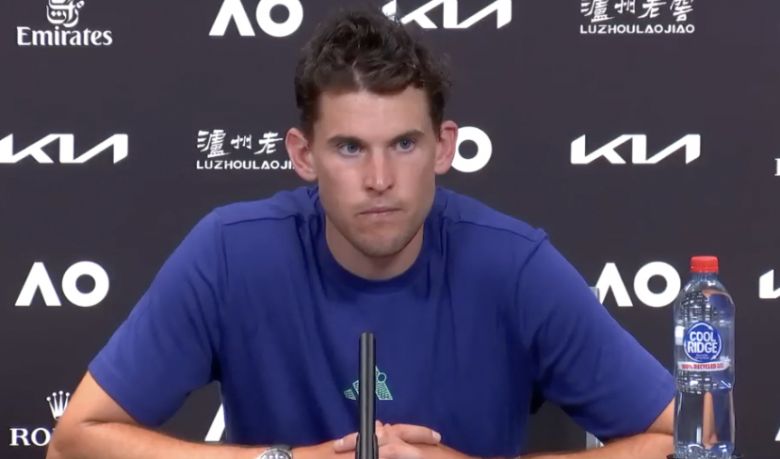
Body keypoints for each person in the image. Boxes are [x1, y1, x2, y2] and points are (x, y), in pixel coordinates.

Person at [47, 8, 675, 459]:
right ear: (303, 155)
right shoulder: (231, 251)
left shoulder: (513, 265)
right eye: (349, 147)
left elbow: (692, 438)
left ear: (443, 147)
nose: (379, 179)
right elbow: (75, 440)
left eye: (404, 144)